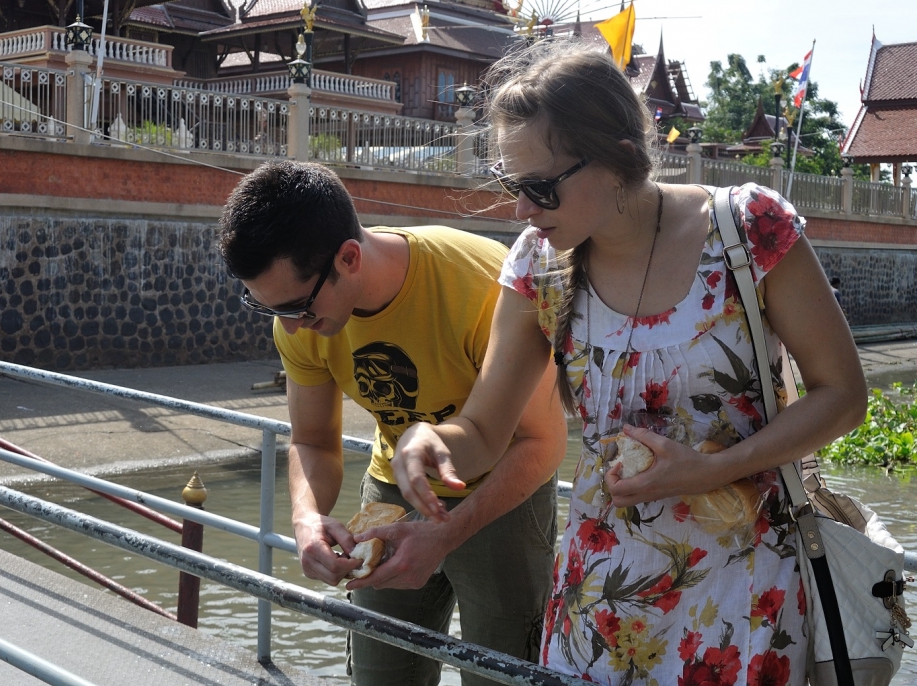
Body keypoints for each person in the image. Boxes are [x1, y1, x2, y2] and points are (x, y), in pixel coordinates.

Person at [382, 40, 867, 685]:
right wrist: (429, 442)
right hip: (601, 593)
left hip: (744, 588)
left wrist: (711, 469)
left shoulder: (747, 231)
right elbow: (482, 434)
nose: (521, 210)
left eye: (539, 188)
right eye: (509, 185)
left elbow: (842, 394)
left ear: (620, 162)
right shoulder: (539, 267)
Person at [217, 160, 567, 686]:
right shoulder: (297, 319)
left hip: (502, 497)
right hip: (391, 489)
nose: (290, 327)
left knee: (502, 673)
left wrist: (446, 537)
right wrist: (307, 519)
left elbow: (544, 442)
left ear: (349, 257)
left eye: (297, 307)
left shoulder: (481, 286)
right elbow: (312, 441)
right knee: (382, 672)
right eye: (269, 308)